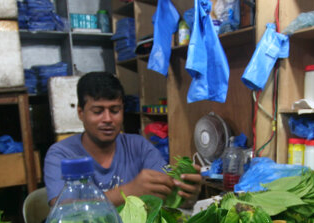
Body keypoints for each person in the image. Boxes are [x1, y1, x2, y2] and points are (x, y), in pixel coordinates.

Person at [44, 71, 201, 207]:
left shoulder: (139, 146)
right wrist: (129, 192)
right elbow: (62, 208)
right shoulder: (61, 154)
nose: (107, 119)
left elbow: (166, 191)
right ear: (81, 113)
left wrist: (185, 192)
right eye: (98, 111)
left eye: (115, 110)